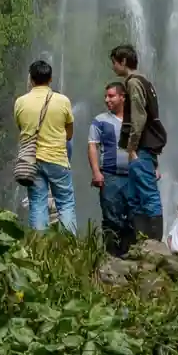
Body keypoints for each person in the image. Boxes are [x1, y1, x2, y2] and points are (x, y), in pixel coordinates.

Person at [110, 44, 168, 242]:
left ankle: (155, 243)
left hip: (141, 148)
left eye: (114, 62)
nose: (113, 67)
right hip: (144, 148)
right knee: (135, 197)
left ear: (123, 62)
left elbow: (139, 117)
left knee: (148, 194)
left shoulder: (134, 83)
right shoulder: (145, 82)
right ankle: (141, 241)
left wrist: (132, 148)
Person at [14, 60, 76, 234]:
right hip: (57, 159)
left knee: (37, 204)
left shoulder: (20, 102)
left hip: (32, 160)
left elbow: (23, 129)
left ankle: (39, 246)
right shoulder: (63, 101)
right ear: (50, 79)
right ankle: (69, 245)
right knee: (65, 204)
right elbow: (69, 134)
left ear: (30, 79)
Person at [88, 82, 133, 256]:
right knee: (111, 218)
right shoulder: (100, 120)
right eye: (106, 96)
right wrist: (96, 172)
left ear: (123, 97)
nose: (107, 100)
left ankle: (129, 254)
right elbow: (92, 145)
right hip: (109, 175)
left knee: (133, 217)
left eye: (111, 96)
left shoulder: (135, 120)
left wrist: (154, 167)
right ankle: (111, 256)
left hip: (133, 176)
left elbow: (146, 145)